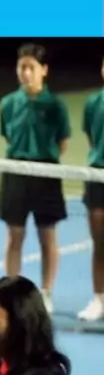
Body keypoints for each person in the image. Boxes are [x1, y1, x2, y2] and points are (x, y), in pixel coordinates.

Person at [0, 43, 71, 314]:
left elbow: (63, 143)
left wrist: (41, 159)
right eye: (22, 67)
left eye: (31, 67)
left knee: (47, 236)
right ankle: (11, 292)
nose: (26, 73)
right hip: (16, 171)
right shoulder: (8, 104)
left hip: (46, 173)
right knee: (14, 236)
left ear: (44, 70)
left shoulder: (56, 105)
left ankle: (46, 293)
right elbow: (8, 136)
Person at [79, 60, 104, 321]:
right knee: (100, 242)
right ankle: (99, 298)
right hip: (97, 175)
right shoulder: (93, 103)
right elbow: (92, 137)